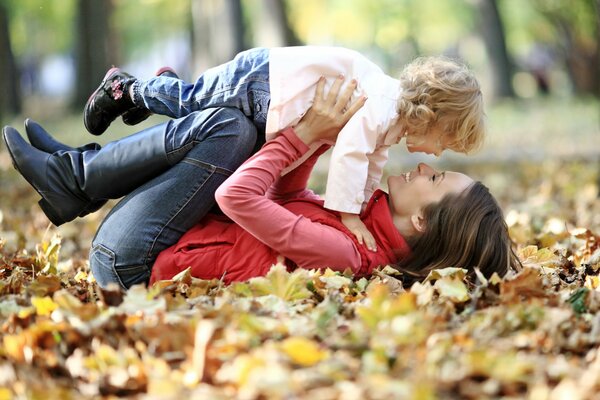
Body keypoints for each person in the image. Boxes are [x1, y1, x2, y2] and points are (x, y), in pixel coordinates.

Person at [83, 46, 485, 252]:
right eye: (443, 142)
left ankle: (158, 92)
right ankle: (128, 88)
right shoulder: (381, 105)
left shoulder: (390, 122)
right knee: (192, 102)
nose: (434, 154)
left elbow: (370, 161)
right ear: (430, 116)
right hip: (264, 81)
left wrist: (362, 205)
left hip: (273, 97)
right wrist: (348, 216)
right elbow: (349, 154)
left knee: (197, 108)